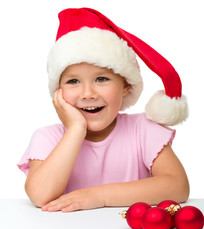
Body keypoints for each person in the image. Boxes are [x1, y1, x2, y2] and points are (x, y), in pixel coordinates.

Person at [17, 8, 189, 213]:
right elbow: (40, 195)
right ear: (58, 91)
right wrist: (75, 130)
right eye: (73, 81)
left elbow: (178, 187)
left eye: (101, 79)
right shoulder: (48, 137)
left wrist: (99, 196)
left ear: (126, 86)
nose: (87, 93)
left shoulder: (143, 129)